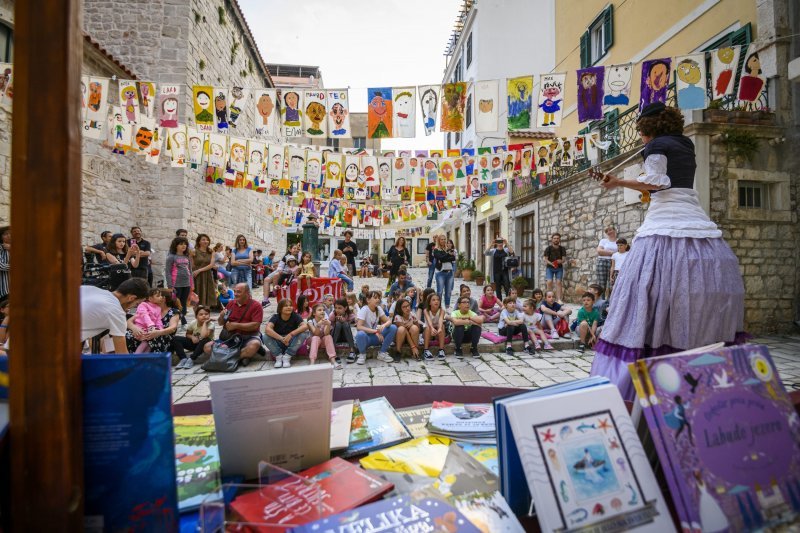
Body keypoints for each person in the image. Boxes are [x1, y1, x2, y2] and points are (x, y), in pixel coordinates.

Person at [590, 103, 745, 400]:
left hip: (664, 224)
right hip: (697, 220)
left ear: (648, 128)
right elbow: (671, 180)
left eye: (639, 130)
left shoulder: (656, 146)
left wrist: (618, 181)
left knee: (643, 290)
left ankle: (647, 373)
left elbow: (658, 182)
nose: (638, 136)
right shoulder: (684, 143)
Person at [81, 277, 150, 353]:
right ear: (131, 298)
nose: (132, 308)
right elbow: (122, 354)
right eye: (136, 304)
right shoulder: (117, 313)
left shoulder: (90, 289)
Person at [204, 283, 264, 367]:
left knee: (254, 345)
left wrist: (236, 325)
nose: (235, 294)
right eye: (235, 291)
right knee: (207, 347)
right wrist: (221, 316)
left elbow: (256, 325)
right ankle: (240, 357)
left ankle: (223, 357)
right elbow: (221, 323)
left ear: (247, 293)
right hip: (230, 337)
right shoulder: (231, 304)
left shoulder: (256, 305)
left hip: (248, 337)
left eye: (239, 292)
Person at [125, 288, 181, 355]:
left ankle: (139, 358)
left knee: (150, 336)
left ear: (164, 299)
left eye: (160, 296)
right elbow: (129, 321)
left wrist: (158, 332)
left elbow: (172, 328)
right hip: (147, 332)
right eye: (157, 296)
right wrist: (135, 329)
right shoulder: (147, 307)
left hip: (163, 337)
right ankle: (128, 357)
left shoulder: (173, 312)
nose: (159, 297)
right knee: (128, 334)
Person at [353, 290, 397, 365]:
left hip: (376, 337)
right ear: (368, 300)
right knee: (360, 334)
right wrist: (375, 331)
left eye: (378, 298)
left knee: (393, 327)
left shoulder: (378, 309)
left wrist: (383, 325)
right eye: (375, 298)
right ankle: (362, 354)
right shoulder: (365, 309)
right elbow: (359, 327)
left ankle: (382, 353)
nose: (378, 300)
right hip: (366, 338)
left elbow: (389, 321)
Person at [264, 299, 309, 369]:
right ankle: (278, 357)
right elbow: (267, 329)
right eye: (286, 306)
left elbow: (305, 326)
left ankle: (287, 357)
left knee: (303, 334)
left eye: (290, 305)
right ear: (280, 308)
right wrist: (282, 339)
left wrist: (291, 334)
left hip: (291, 342)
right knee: (265, 336)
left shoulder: (295, 316)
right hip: (279, 341)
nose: (289, 307)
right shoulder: (275, 317)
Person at [165, 236, 194, 325]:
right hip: (176, 284)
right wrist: (170, 286)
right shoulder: (171, 257)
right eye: (181, 244)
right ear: (176, 246)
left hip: (186, 284)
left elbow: (190, 271)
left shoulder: (187, 257)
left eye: (185, 244)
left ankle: (183, 318)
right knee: (176, 303)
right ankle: (175, 320)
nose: (183, 246)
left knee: (184, 303)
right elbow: (168, 272)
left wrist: (192, 284)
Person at [132, 289, 164, 353]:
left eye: (161, 295)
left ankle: (144, 358)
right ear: (150, 298)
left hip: (150, 329)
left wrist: (160, 329)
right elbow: (144, 315)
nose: (161, 297)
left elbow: (158, 320)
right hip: (140, 327)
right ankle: (136, 357)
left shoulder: (158, 308)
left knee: (150, 342)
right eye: (158, 296)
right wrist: (150, 325)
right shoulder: (143, 305)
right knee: (147, 340)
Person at [192, 234, 217, 309]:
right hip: (196, 276)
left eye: (207, 240)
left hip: (207, 276)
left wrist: (199, 270)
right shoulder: (194, 251)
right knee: (196, 298)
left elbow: (211, 265)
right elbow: (192, 265)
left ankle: (206, 315)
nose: (206, 241)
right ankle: (197, 317)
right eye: (203, 239)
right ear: (199, 241)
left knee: (208, 296)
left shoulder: (211, 251)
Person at [329, 298, 355, 366]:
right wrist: (336, 323)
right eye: (336, 308)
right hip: (335, 336)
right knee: (338, 324)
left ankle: (352, 351)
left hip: (345, 336)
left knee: (345, 324)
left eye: (340, 308)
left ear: (345, 308)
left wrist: (345, 321)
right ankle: (333, 352)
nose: (337, 310)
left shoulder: (349, 315)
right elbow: (330, 328)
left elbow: (354, 324)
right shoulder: (333, 315)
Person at [433, 235, 456, 309]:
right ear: (439, 241)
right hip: (440, 273)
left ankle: (447, 308)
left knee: (448, 292)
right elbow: (440, 258)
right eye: (441, 239)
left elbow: (453, 258)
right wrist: (447, 255)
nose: (443, 240)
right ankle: (438, 308)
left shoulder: (448, 249)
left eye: (444, 239)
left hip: (449, 272)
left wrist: (446, 256)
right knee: (439, 292)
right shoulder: (436, 250)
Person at [422, 293, 447, 362]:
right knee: (428, 328)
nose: (436, 301)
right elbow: (429, 321)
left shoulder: (442, 310)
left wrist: (439, 329)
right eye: (433, 300)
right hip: (428, 332)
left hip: (437, 332)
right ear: (429, 303)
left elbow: (441, 319)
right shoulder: (426, 310)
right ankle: (426, 350)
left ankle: (441, 350)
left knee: (442, 326)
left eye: (438, 300)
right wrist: (432, 328)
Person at [595, 227, 618, 298]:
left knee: (612, 284)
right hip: (602, 262)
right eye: (607, 231)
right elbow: (599, 251)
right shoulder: (603, 241)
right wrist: (613, 253)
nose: (609, 232)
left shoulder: (618, 241)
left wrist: (605, 252)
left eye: (610, 230)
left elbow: (620, 253)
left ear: (614, 230)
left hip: (613, 263)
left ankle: (610, 304)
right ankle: (600, 304)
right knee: (601, 285)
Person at [543, 233, 566, 303]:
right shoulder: (548, 249)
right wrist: (552, 264)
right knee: (549, 282)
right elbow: (545, 259)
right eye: (554, 238)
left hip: (559, 268)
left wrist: (560, 261)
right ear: (552, 239)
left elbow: (563, 259)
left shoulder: (562, 249)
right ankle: (549, 298)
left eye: (557, 238)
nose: (556, 240)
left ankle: (559, 299)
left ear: (559, 239)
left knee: (559, 282)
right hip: (550, 268)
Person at [0, 226, 8, 300]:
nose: (9, 236)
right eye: (6, 234)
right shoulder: (1, 248)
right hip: (3, 291)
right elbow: (1, 266)